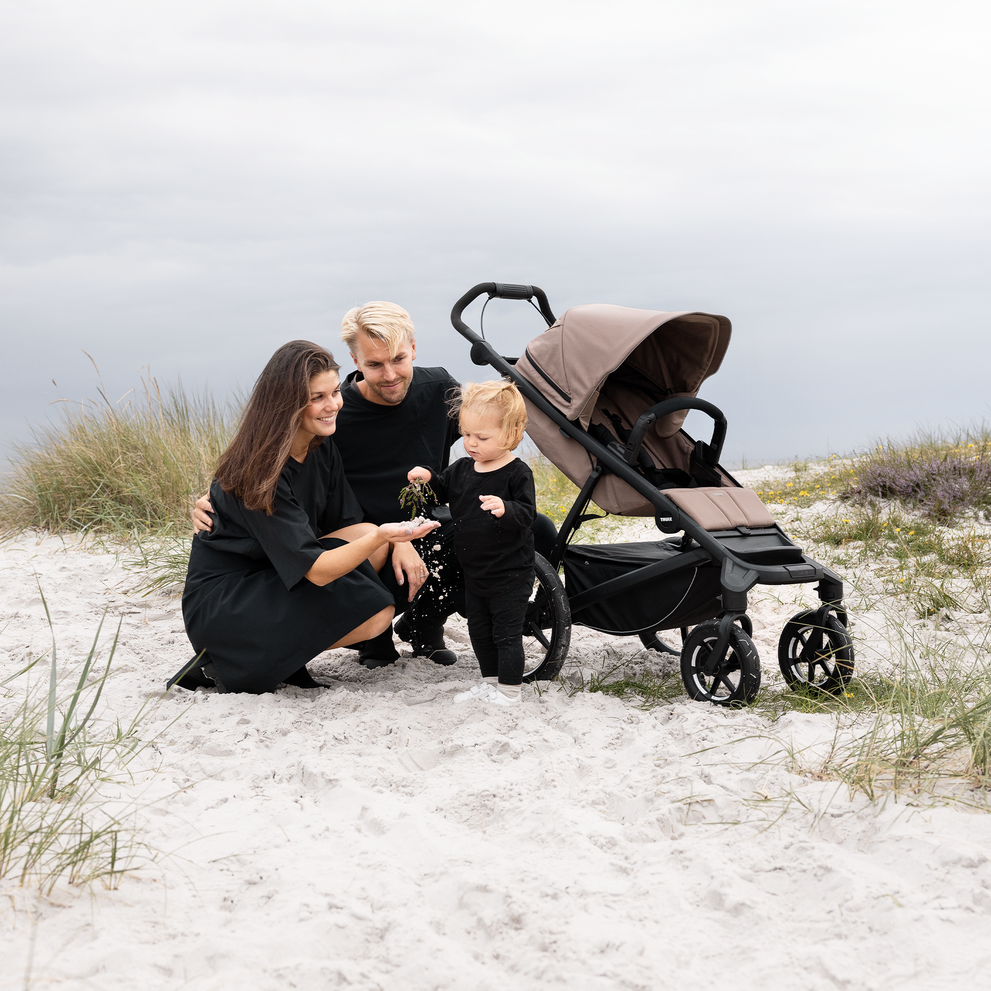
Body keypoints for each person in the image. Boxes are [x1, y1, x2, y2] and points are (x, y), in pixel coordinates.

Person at [193, 301, 557, 668]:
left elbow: (486, 433)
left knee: (534, 527)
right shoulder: (333, 418)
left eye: (398, 359)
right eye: (374, 364)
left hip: (412, 523)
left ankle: (425, 622)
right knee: (381, 552)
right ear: (355, 360)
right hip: (360, 534)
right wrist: (212, 497)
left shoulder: (439, 391)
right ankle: (372, 636)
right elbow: (266, 459)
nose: (389, 374)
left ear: (413, 349)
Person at [177, 340, 438, 694]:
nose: (332, 405)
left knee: (365, 536)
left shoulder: (319, 445)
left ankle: (283, 655)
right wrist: (384, 537)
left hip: (273, 576)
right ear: (285, 403)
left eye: (334, 392)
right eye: (317, 397)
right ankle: (230, 661)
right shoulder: (260, 469)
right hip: (227, 604)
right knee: (375, 613)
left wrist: (393, 541)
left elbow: (347, 525)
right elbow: (316, 570)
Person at [407, 380, 535, 707]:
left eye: (482, 437)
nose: (471, 443)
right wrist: (427, 478)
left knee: (506, 636)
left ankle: (509, 692)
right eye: (466, 435)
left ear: (510, 434)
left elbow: (527, 514)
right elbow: (442, 492)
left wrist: (506, 508)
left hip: (510, 573)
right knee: (479, 632)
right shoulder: (463, 469)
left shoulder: (516, 473)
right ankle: (491, 683)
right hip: (475, 574)